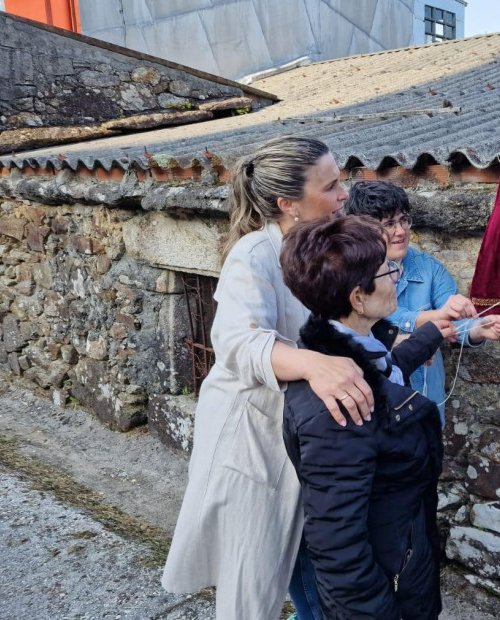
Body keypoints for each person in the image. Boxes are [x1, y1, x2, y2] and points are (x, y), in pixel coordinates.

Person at [161, 136, 368, 620]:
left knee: (305, 557)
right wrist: (316, 364)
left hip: (304, 437)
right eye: (332, 185)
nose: (345, 195)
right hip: (252, 440)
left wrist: (422, 328)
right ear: (287, 203)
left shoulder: (321, 249)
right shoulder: (255, 255)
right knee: (251, 581)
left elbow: (355, 317)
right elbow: (236, 341)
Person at [280, 216, 450, 619]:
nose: (396, 275)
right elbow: (338, 543)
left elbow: (382, 370)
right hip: (388, 576)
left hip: (401, 551)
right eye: (387, 270)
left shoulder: (342, 347)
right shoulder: (339, 408)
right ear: (358, 298)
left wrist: (434, 332)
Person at [344, 181, 500, 423]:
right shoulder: (344, 272)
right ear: (362, 230)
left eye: (404, 220)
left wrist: (479, 328)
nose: (401, 231)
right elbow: (376, 324)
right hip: (373, 406)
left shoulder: (429, 268)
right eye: (389, 224)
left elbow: (458, 325)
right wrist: (432, 319)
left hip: (425, 398)